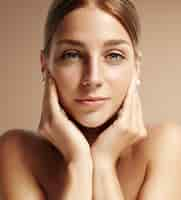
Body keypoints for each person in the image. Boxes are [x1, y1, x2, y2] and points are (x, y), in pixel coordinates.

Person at [0, 0, 181, 199]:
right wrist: (78, 163)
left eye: (113, 55)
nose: (93, 78)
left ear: (136, 66)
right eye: (72, 55)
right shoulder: (17, 152)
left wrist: (103, 161)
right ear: (45, 65)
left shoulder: (166, 146)